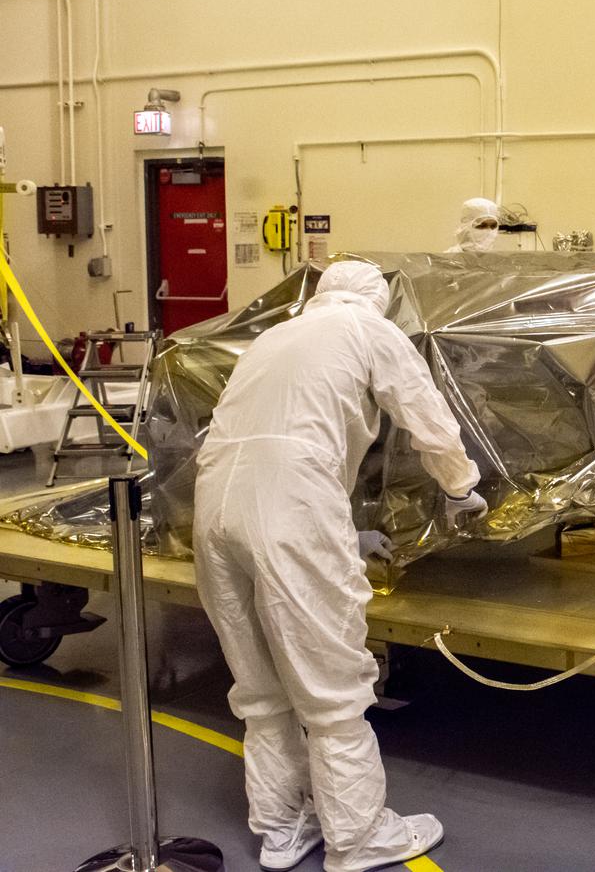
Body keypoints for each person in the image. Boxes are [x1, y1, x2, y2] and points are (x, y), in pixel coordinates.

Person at [193, 260, 488, 871]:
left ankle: (280, 830)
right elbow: (426, 414)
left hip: (215, 508)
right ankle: (356, 839)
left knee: (260, 687)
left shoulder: (274, 337)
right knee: (332, 690)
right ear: (374, 300)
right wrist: (461, 488)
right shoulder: (367, 329)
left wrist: (339, 531)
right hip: (290, 506)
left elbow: (267, 442)